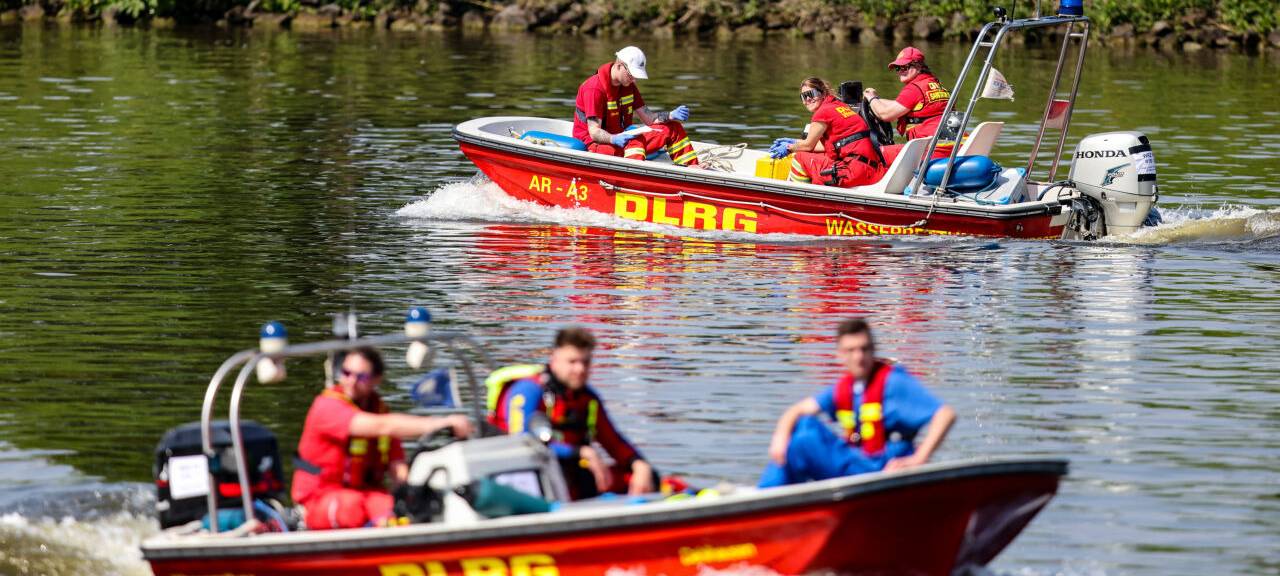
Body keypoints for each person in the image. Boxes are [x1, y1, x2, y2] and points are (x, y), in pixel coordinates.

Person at [759, 318, 955, 487]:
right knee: (802, 426)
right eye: (851, 350)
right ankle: (774, 499)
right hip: (855, 466)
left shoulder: (894, 382)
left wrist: (919, 458)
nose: (859, 357)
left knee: (806, 436)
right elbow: (797, 410)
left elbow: (945, 415)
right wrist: (780, 437)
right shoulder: (846, 387)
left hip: (880, 468)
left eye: (864, 349)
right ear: (840, 355)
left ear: (873, 351)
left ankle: (766, 499)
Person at [292, 347, 473, 529]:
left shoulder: (380, 412)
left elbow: (397, 466)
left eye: (361, 377)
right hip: (320, 497)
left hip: (368, 494)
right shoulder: (327, 407)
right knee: (352, 509)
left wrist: (413, 495)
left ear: (376, 380)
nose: (352, 381)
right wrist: (441, 423)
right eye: (346, 373)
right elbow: (383, 426)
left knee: (403, 513)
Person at [486, 327, 656, 500]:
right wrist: (579, 452)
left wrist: (638, 464)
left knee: (648, 477)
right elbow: (521, 444)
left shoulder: (587, 399)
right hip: (523, 477)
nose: (580, 369)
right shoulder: (527, 391)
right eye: (572, 362)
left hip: (571, 473)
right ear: (554, 360)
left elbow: (613, 441)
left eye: (585, 362)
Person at [573, 46, 700, 167]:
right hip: (596, 145)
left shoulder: (629, 86)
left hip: (624, 139)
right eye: (631, 75)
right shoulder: (594, 89)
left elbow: (649, 118)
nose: (634, 80)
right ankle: (634, 180)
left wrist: (671, 115)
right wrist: (614, 138)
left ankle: (692, 167)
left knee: (673, 128)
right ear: (619, 66)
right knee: (635, 142)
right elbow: (594, 132)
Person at [768, 77, 887, 188]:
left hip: (854, 172)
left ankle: (797, 200)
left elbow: (808, 146)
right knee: (813, 156)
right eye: (803, 97)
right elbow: (827, 145)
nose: (807, 99)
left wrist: (789, 148)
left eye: (810, 94)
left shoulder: (823, 112)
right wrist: (795, 142)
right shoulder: (840, 106)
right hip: (871, 170)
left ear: (823, 93)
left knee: (799, 158)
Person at [863, 46, 954, 165]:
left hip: (932, 152)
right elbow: (903, 105)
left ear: (919, 66)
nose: (900, 71)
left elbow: (885, 114)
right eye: (897, 68)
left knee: (870, 152)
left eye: (904, 66)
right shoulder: (937, 85)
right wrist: (877, 100)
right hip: (952, 148)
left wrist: (871, 97)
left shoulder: (914, 89)